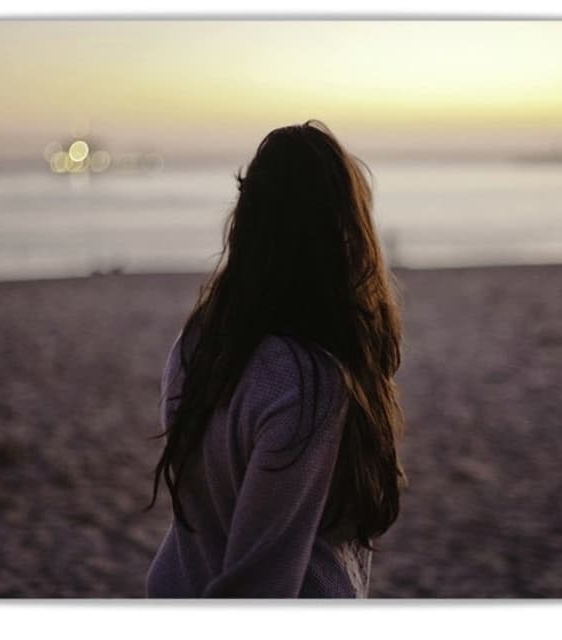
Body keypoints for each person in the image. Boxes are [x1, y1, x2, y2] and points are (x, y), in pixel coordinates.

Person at [145, 120, 405, 598]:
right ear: (343, 232)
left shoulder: (198, 342)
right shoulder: (308, 384)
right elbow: (261, 581)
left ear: (248, 223)